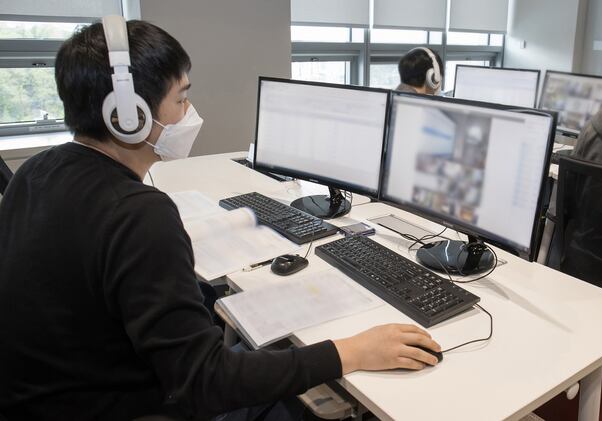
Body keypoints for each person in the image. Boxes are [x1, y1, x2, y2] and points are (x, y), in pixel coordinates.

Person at [0, 18, 441, 421]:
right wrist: (351, 351)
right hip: (121, 406)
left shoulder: (37, 171)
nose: (189, 111)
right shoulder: (138, 214)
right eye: (181, 98)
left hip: (51, 397)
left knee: (234, 320)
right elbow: (205, 383)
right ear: (130, 116)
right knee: (317, 404)